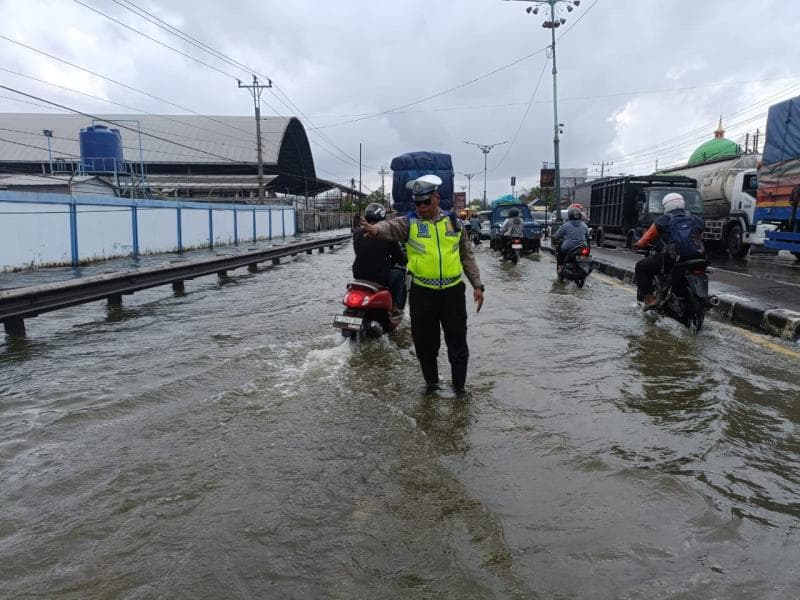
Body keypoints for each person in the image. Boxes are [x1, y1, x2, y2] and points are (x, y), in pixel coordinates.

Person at [361, 174, 485, 393]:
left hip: (453, 294)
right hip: (422, 293)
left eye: (426, 202)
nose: (421, 207)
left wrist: (477, 285)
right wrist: (375, 229)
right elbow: (390, 226)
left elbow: (467, 256)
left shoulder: (454, 223)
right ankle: (432, 385)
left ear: (437, 198)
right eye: (417, 202)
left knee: (457, 343)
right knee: (425, 344)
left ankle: (459, 389)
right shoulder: (409, 223)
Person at [633, 192, 705, 308]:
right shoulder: (696, 219)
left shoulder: (663, 220)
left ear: (666, 206)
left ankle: (650, 299)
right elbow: (699, 237)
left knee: (641, 267)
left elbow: (646, 238)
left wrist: (638, 244)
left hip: (674, 259)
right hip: (698, 257)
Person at [352, 202, 407, 314]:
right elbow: (398, 258)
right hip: (380, 276)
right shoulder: (387, 234)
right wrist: (404, 258)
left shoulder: (357, 233)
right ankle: (395, 307)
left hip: (359, 274)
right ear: (382, 216)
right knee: (400, 274)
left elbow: (359, 252)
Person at [551, 204, 591, 272]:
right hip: (582, 247)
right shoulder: (584, 225)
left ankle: (560, 267)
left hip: (568, 247)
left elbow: (556, 235)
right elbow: (587, 236)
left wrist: (553, 238)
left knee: (560, 252)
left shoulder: (566, 225)